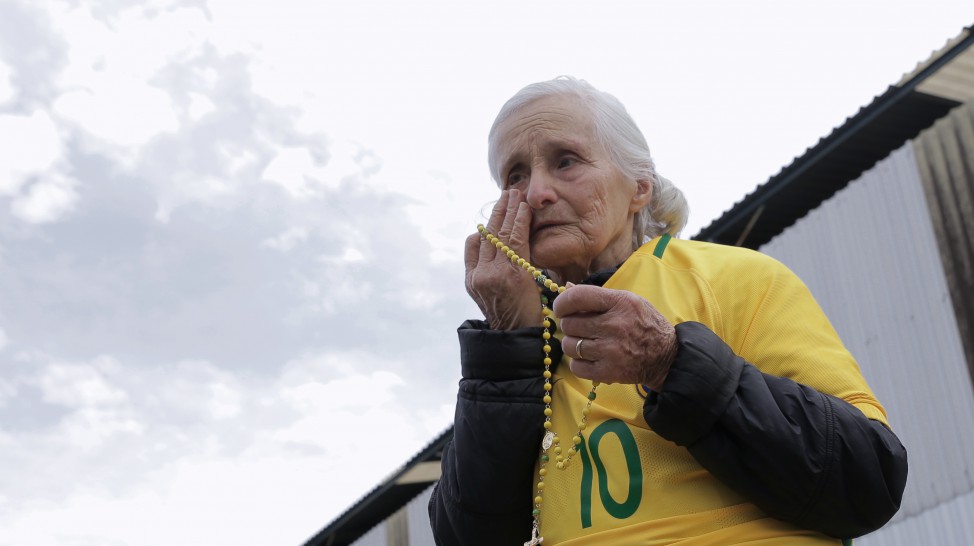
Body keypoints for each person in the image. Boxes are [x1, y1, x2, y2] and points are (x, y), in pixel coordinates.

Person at [428, 77, 907, 546]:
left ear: (639, 186)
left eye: (566, 161)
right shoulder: (523, 339)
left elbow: (866, 481)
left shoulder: (735, 278)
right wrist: (505, 347)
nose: (536, 193)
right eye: (515, 176)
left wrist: (670, 360)